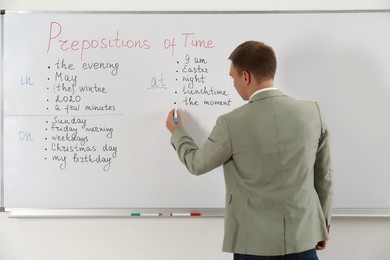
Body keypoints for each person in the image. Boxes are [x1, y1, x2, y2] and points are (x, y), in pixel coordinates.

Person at [166, 41, 333, 260]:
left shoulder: (230, 123)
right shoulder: (313, 113)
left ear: (246, 77)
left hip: (252, 247)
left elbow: (197, 164)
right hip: (303, 239)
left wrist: (178, 133)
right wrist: (322, 224)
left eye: (233, 77)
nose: (233, 84)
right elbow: (324, 176)